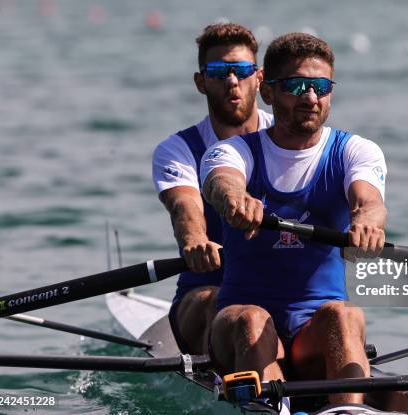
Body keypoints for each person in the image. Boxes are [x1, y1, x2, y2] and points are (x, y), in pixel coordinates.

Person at [201, 32, 387, 405]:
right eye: (297, 85)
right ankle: (270, 406)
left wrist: (367, 222)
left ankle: (347, 412)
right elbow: (222, 183)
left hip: (314, 332)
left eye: (320, 86)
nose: (310, 98)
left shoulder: (356, 150)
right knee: (253, 320)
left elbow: (370, 201)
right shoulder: (233, 150)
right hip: (239, 320)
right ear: (267, 92)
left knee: (343, 315)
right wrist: (236, 200)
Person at [151, 23, 273, 355]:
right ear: (201, 82)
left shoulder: (288, 139)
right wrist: (195, 240)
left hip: (282, 291)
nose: (232, 81)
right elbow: (185, 207)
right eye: (219, 72)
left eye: (242, 70)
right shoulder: (177, 150)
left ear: (259, 78)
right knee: (221, 302)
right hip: (205, 290)